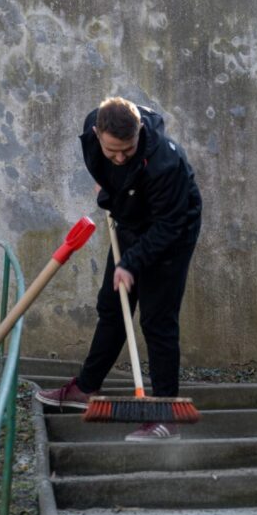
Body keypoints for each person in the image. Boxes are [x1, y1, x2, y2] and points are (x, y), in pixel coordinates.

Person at [37, 97, 202, 441]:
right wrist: (108, 188)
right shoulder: (91, 126)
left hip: (171, 230)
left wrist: (130, 262)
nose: (120, 157)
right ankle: (86, 388)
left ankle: (165, 415)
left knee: (157, 319)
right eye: (112, 150)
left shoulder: (165, 162)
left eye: (127, 150)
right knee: (113, 306)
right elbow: (102, 166)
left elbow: (168, 226)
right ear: (97, 132)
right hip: (129, 218)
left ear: (140, 130)